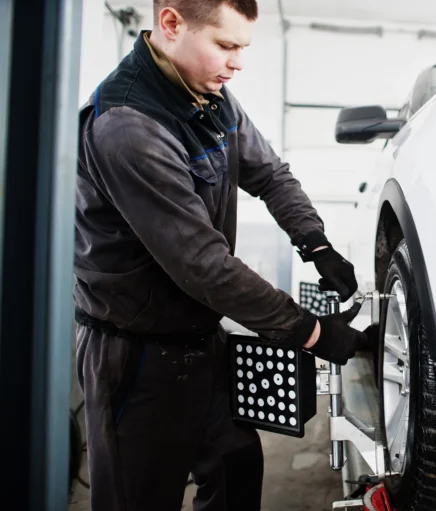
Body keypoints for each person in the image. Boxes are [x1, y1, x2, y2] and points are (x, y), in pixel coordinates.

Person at [73, 1, 372, 510]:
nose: (237, 63)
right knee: (139, 497)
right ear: (170, 24)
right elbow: (205, 266)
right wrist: (312, 332)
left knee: (235, 464)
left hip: (199, 338)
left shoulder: (210, 99)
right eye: (227, 46)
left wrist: (315, 244)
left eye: (244, 48)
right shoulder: (128, 125)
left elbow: (270, 174)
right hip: (135, 355)